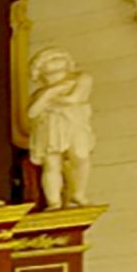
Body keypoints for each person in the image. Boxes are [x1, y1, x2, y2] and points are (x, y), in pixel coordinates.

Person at [26, 47, 95, 210]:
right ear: (40, 69)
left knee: (81, 156)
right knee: (51, 162)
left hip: (73, 121)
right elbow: (32, 112)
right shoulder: (40, 93)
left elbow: (73, 99)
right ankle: (54, 202)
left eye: (60, 57)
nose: (57, 59)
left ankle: (78, 193)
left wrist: (47, 100)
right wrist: (52, 92)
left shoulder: (82, 78)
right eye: (50, 59)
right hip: (49, 126)